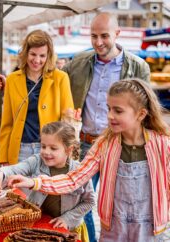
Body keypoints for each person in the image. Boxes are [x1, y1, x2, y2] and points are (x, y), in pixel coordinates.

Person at [8, 78, 170, 241]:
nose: (109, 115)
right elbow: (74, 179)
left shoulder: (163, 145)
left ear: (141, 114)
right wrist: (35, 183)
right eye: (109, 109)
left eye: (118, 111)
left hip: (150, 230)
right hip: (114, 229)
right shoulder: (104, 145)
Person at [61, 13, 151, 241]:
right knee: (79, 201)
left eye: (104, 36)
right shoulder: (78, 62)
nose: (98, 42)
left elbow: (146, 112)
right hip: (85, 143)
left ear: (117, 34)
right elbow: (52, 77)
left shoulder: (138, 67)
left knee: (119, 205)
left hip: (119, 146)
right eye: (93, 36)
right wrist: (9, 79)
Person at [0, 121, 95, 241]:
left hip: (68, 229)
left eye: (53, 148)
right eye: (43, 146)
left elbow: (89, 201)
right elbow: (16, 169)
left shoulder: (80, 172)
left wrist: (67, 219)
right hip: (38, 223)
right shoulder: (36, 161)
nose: (46, 152)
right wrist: (1, 172)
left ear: (69, 150)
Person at [0, 29, 74, 166]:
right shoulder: (12, 79)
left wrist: (67, 156)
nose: (37, 60)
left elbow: (67, 121)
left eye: (42, 56)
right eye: (33, 54)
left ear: (49, 56)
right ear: (25, 53)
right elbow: (7, 124)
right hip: (20, 149)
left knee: (44, 187)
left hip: (50, 151)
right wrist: (3, 158)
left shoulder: (61, 78)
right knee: (19, 188)